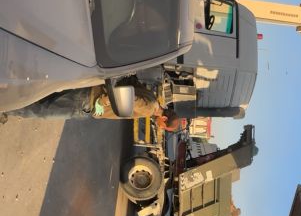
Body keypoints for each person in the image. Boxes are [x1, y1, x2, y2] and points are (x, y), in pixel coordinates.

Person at [1, 85, 178, 122]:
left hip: (90, 92)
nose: (160, 127)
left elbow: (130, 84)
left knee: (45, 96)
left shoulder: (153, 98)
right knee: (43, 111)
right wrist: (102, 102)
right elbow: (128, 98)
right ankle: (6, 107)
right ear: (164, 119)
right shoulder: (148, 109)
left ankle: (8, 96)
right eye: (163, 126)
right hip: (89, 103)